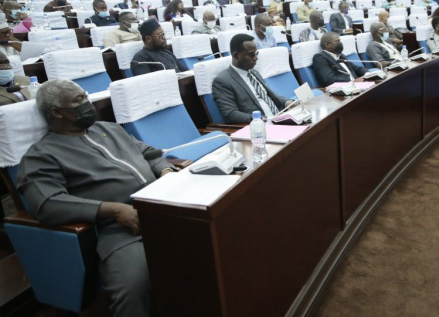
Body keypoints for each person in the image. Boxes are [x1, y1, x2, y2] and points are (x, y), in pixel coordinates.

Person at [17, 79, 177, 317]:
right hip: (120, 229)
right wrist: (111, 210)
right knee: (134, 286)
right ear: (57, 112)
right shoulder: (41, 155)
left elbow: (149, 153)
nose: (87, 104)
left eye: (86, 96)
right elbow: (47, 203)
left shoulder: (109, 128)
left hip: (161, 206)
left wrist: (165, 171)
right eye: (79, 100)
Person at [212, 33, 291, 124]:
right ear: (236, 55)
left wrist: (288, 103)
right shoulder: (223, 81)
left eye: (256, 53)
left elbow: (270, 95)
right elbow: (230, 114)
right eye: (251, 55)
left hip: (279, 117)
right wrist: (261, 119)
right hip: (261, 125)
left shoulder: (254, 72)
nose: (256, 58)